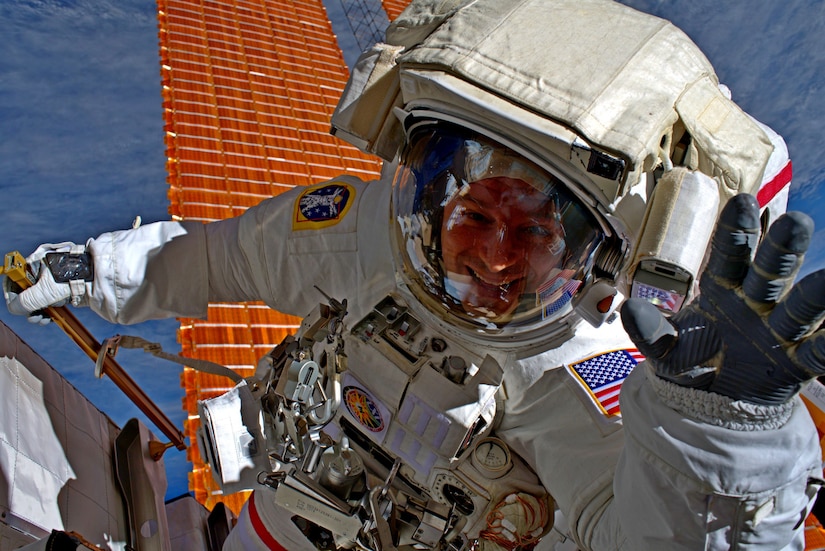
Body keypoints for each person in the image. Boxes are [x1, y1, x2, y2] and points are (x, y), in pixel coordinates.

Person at [5, 0, 824, 549]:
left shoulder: (574, 373)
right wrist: (89, 273)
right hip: (288, 515)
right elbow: (218, 256)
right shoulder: (360, 236)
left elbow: (654, 533)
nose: (492, 258)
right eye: (474, 216)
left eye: (535, 234)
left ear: (597, 261)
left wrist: (719, 433)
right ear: (430, 199)